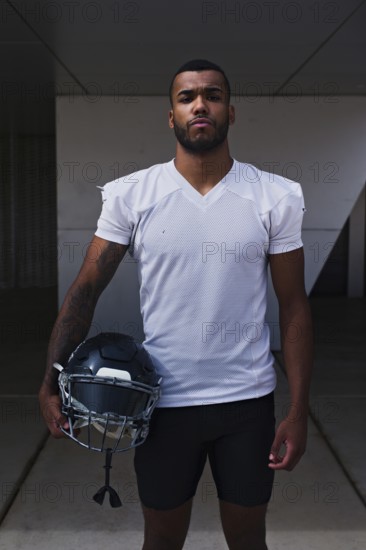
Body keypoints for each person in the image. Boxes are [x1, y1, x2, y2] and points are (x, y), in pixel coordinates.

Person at [39, 59, 313, 550]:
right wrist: (50, 380)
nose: (200, 104)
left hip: (247, 403)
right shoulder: (131, 195)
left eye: (212, 95)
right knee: (162, 539)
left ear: (231, 112)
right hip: (162, 405)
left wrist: (298, 409)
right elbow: (85, 290)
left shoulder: (275, 195)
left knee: (249, 539)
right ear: (172, 116)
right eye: (187, 97)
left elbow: (293, 307)